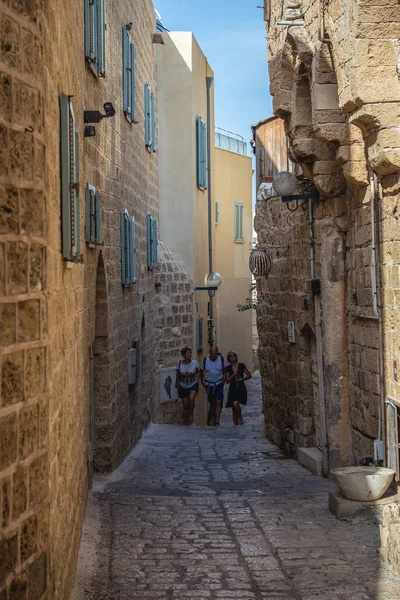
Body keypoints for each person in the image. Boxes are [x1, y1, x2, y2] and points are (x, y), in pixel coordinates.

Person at [200, 345, 225, 426]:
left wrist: (223, 381)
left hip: (219, 383)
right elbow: (200, 372)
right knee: (212, 404)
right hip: (209, 385)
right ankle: (209, 420)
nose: (214, 355)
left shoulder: (221, 359)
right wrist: (202, 381)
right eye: (212, 353)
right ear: (209, 352)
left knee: (218, 402)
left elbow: (225, 371)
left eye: (216, 353)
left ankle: (217, 421)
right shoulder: (204, 361)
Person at [224, 351, 251, 426]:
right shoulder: (228, 368)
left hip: (240, 388)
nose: (232, 356)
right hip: (232, 389)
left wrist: (242, 379)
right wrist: (233, 374)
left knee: (235, 404)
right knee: (233, 410)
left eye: (233, 355)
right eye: (230, 356)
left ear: (236, 356)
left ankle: (240, 417)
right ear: (228, 358)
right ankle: (236, 428)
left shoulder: (241, 366)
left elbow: (249, 375)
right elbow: (227, 381)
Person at [175, 347, 199, 425]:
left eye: (189, 353)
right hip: (183, 386)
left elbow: (198, 372)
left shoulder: (194, 363)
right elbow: (177, 375)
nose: (189, 355)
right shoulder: (179, 364)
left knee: (191, 399)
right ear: (183, 355)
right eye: (187, 353)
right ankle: (186, 421)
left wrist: (197, 380)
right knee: (185, 405)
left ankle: (191, 415)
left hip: (193, 384)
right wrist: (177, 383)